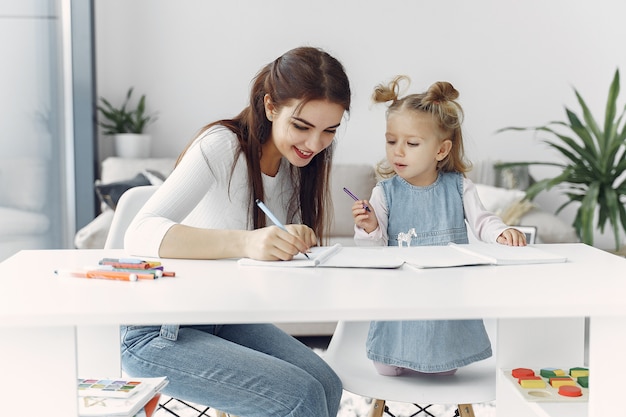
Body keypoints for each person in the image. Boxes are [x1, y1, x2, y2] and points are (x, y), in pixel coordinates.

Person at [121, 46, 351, 417]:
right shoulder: (221, 146)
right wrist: (248, 243)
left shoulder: (298, 166)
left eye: (329, 131)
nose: (314, 144)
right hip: (159, 331)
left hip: (225, 317)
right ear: (271, 107)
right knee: (300, 396)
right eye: (302, 127)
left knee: (326, 384)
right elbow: (140, 232)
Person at [351, 75, 526, 377]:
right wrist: (369, 227)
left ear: (441, 150)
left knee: (444, 372)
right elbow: (374, 250)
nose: (398, 151)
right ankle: (395, 355)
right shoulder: (384, 192)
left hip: (447, 295)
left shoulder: (459, 187)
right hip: (400, 297)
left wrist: (501, 232)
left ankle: (440, 359)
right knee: (385, 368)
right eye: (391, 141)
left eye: (412, 143)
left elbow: (483, 221)